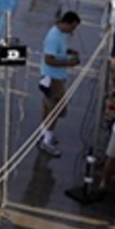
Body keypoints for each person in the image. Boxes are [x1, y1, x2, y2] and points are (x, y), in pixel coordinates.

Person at [38, 11, 82, 157]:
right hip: (53, 78)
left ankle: (44, 133)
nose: (73, 31)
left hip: (52, 77)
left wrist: (68, 51)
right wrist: (69, 63)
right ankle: (47, 141)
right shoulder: (54, 37)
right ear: (67, 23)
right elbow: (49, 59)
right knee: (55, 111)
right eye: (72, 27)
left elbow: (57, 51)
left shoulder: (61, 33)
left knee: (47, 106)